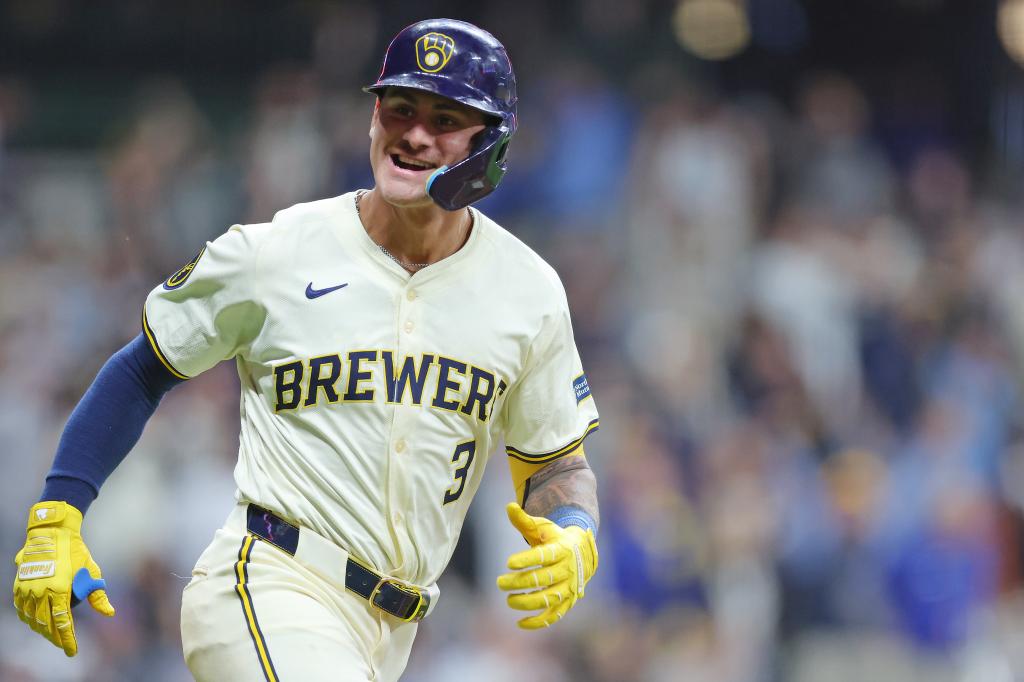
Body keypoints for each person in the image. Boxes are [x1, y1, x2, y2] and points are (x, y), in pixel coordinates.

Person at [11, 18, 601, 681]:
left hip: (391, 632)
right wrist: (58, 512)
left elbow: (554, 463)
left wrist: (576, 527)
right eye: (400, 108)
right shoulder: (276, 252)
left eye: (445, 119)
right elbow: (142, 369)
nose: (414, 133)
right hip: (269, 581)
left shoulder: (528, 292)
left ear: (491, 144)